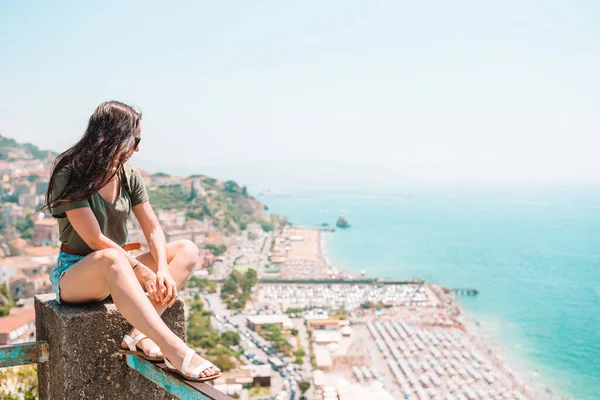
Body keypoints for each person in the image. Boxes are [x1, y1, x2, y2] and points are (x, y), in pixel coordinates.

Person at [44, 101, 221, 382]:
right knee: (113, 258)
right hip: (76, 275)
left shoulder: (129, 175)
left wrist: (162, 268)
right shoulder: (71, 173)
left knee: (186, 249)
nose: (137, 148)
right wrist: (139, 269)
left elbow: (152, 228)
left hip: (119, 269)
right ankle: (174, 348)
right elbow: (94, 238)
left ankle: (139, 335)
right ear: (114, 136)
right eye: (134, 139)